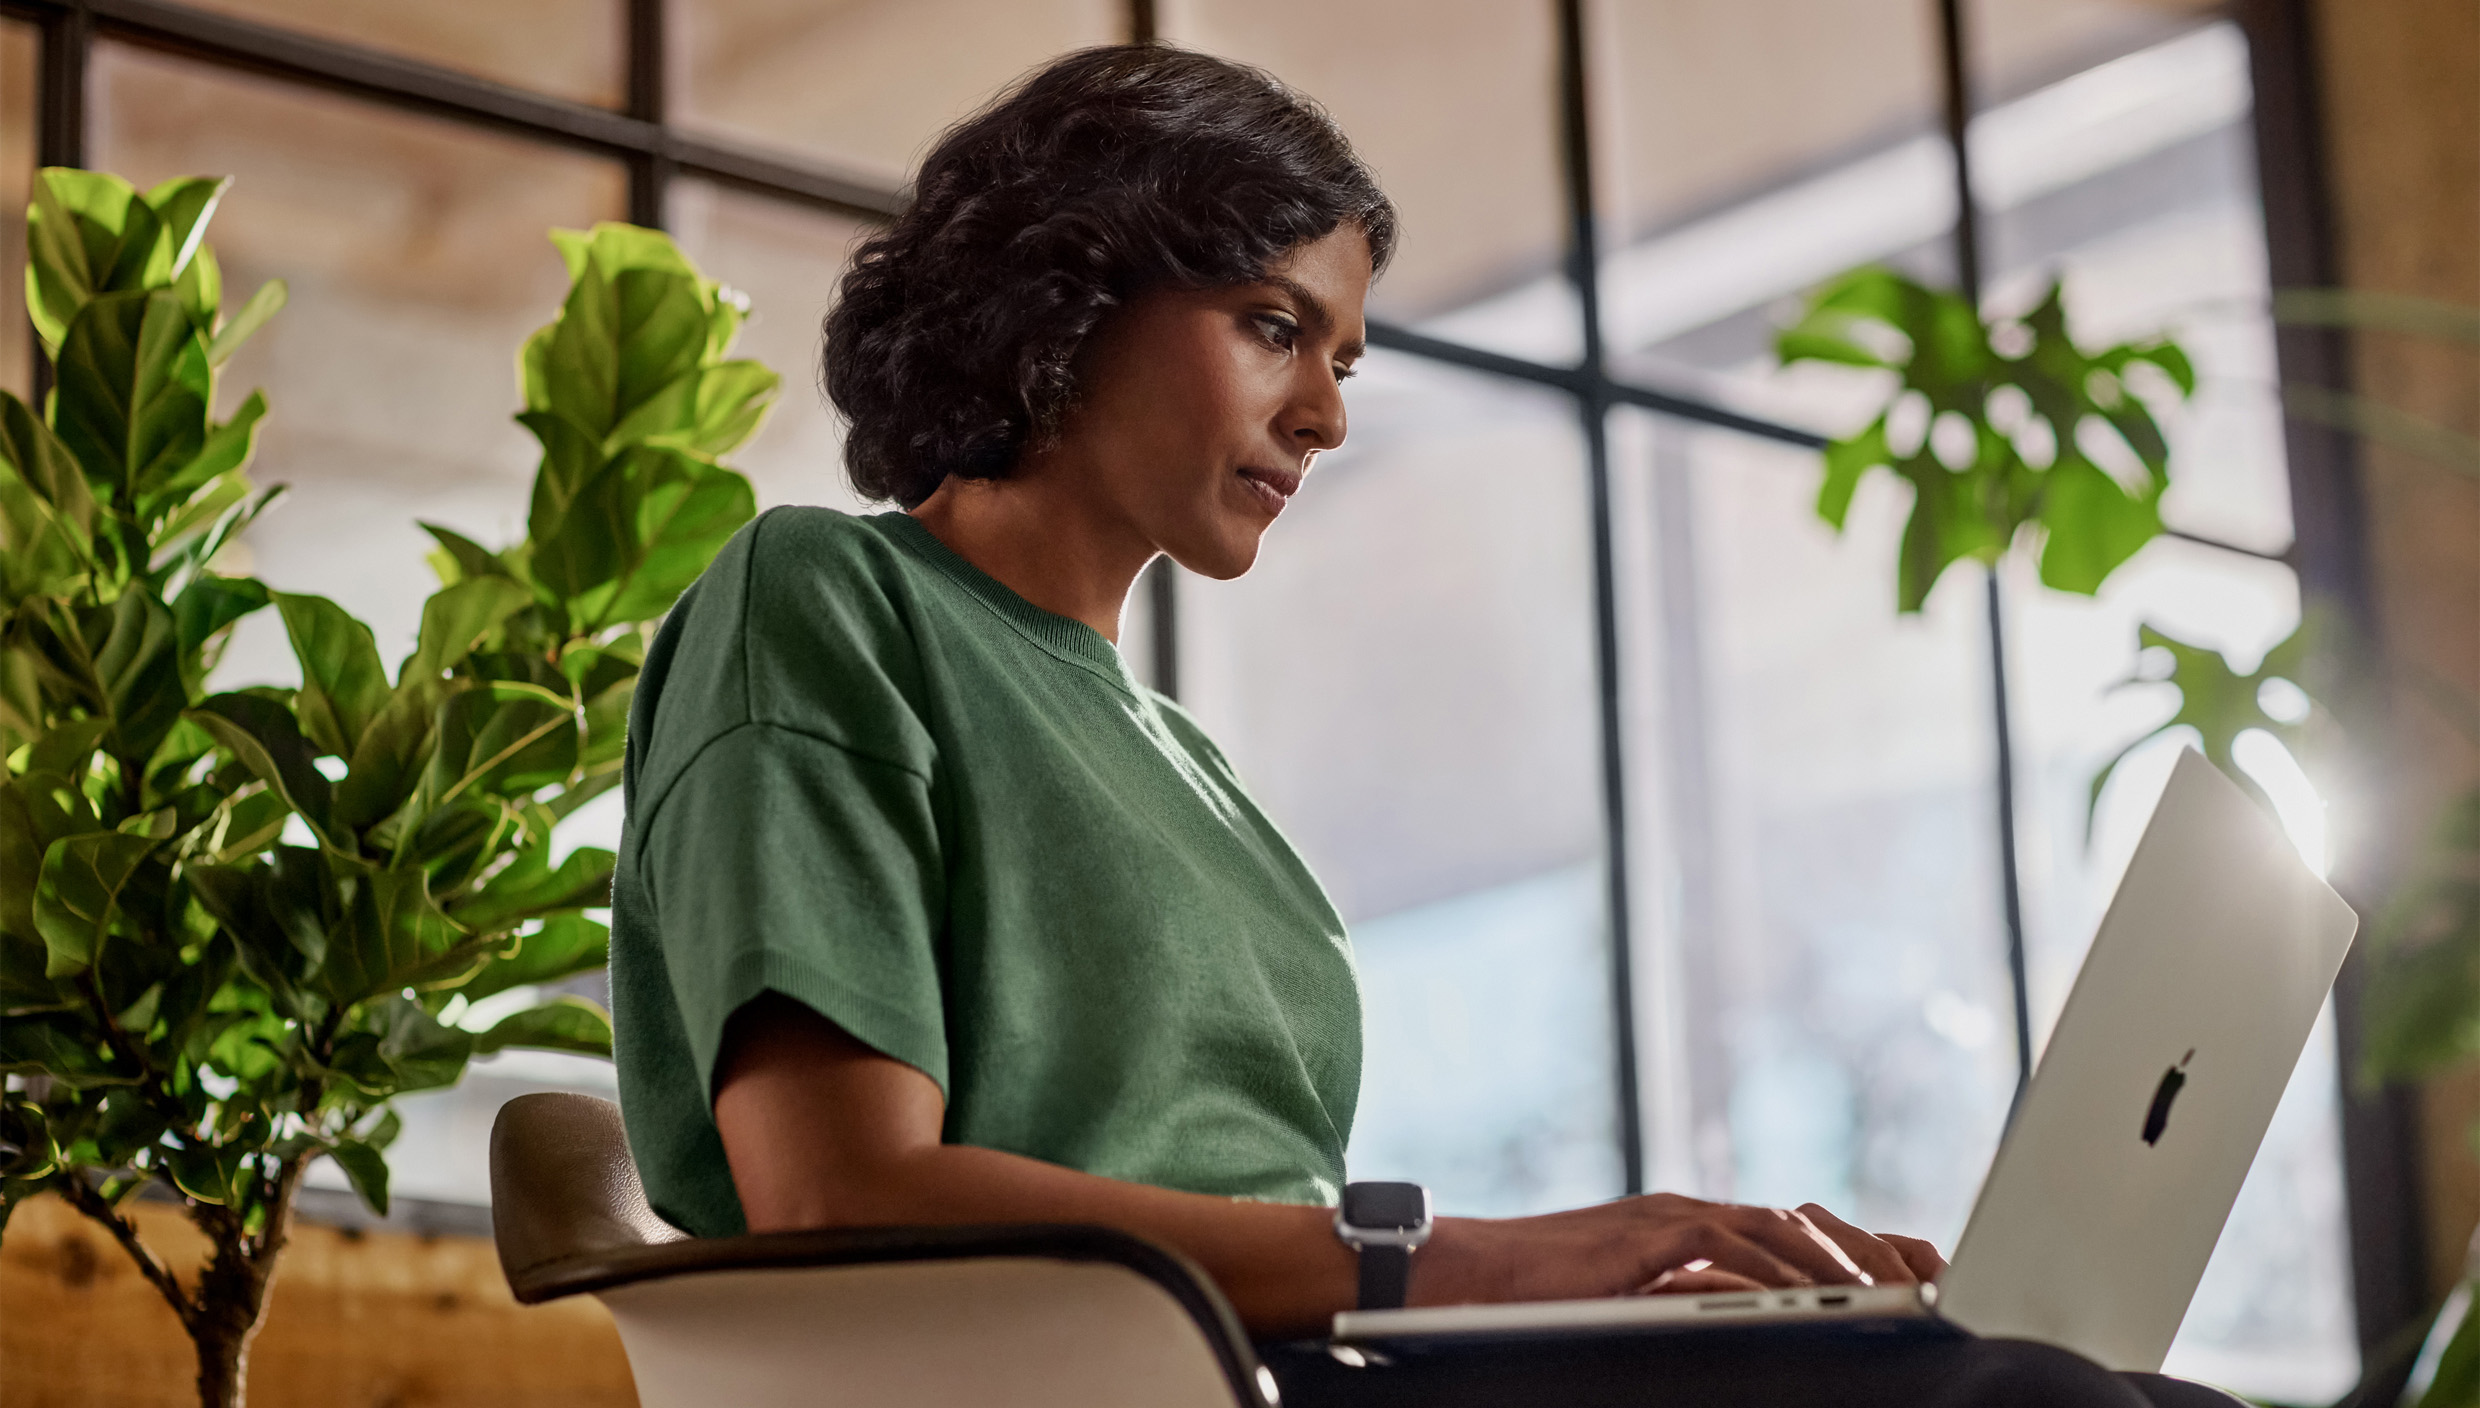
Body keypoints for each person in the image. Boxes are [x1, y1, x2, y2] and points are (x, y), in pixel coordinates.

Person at [608, 43, 2241, 1408]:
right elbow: (840, 1198)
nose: (1323, 414)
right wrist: (1486, 1254)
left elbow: (1288, 1231)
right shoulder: (824, 600)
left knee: (2055, 1377)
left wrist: (1577, 1285)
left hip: (1332, 1368)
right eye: (1272, 325)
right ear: (1067, 297)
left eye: (1343, 357)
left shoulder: (1191, 776)